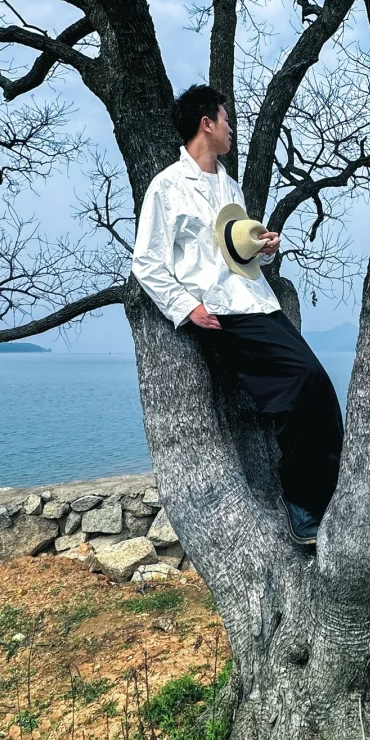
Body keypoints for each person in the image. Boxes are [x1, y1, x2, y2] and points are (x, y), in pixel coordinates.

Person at [131, 84, 344, 546]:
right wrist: (187, 308)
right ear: (206, 123)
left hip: (257, 299)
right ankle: (304, 504)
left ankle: (323, 499)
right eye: (226, 119)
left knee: (319, 387)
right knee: (301, 384)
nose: (232, 128)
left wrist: (263, 249)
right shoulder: (166, 186)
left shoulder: (229, 185)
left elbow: (238, 257)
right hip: (224, 312)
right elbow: (146, 261)